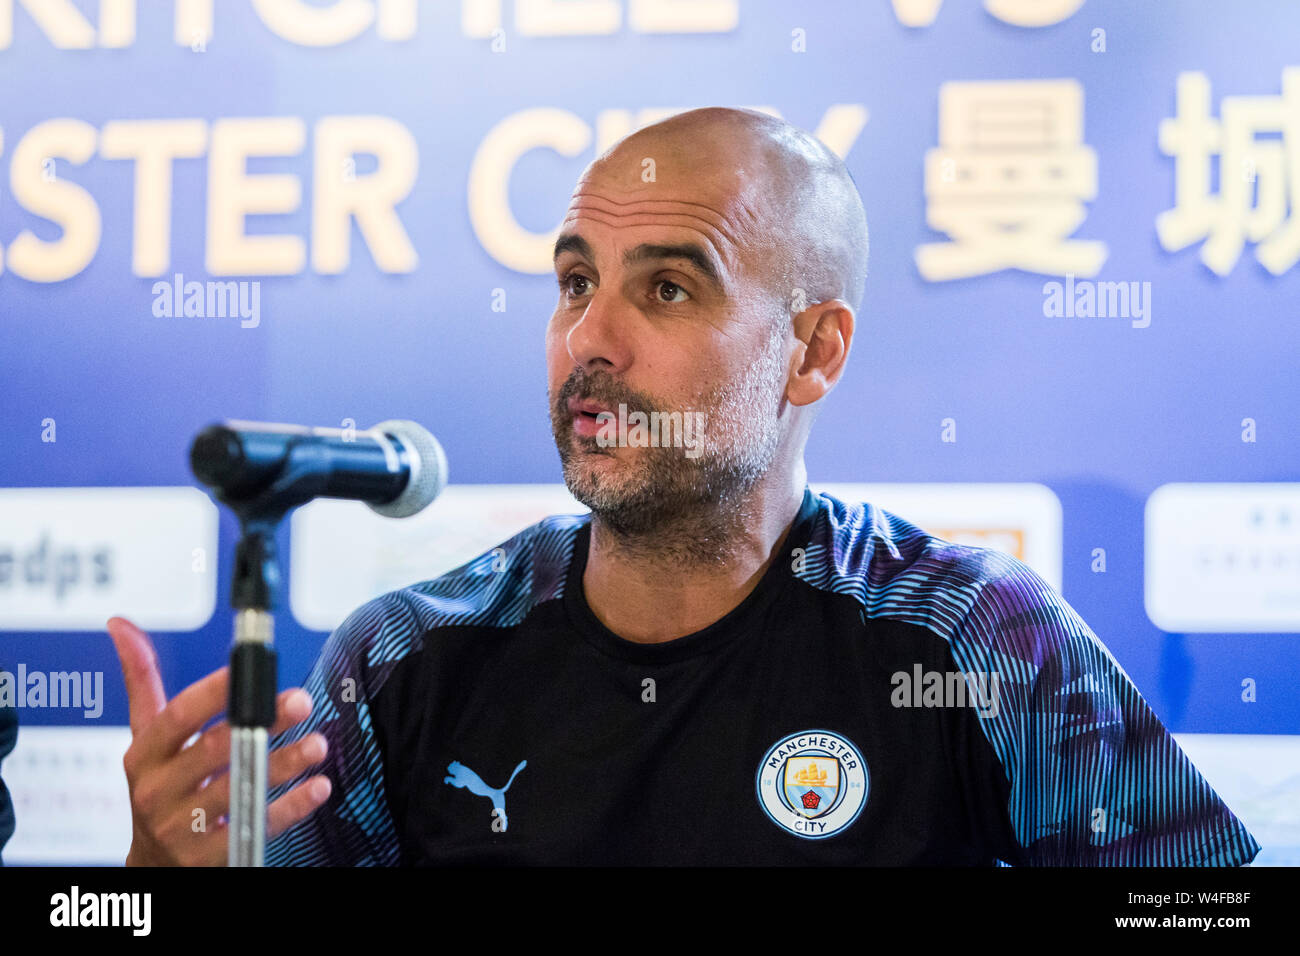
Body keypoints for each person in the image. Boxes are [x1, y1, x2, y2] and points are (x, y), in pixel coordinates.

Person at [108, 107, 1260, 866]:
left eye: (665, 290)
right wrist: (150, 876)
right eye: (572, 280)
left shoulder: (970, 635)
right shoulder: (403, 659)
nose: (586, 339)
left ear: (811, 352)